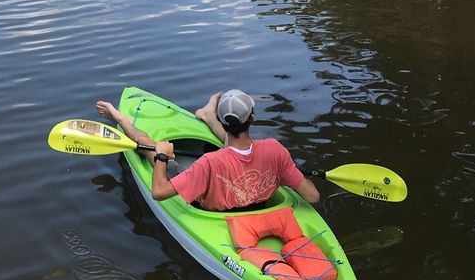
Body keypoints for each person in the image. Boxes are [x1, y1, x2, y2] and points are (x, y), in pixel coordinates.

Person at [95, 90, 319, 210]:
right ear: (252, 118)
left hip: (214, 212)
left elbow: (159, 192)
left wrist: (162, 156)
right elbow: (313, 196)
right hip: (257, 207)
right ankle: (206, 114)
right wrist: (287, 172)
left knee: (152, 149)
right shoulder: (275, 151)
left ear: (224, 122)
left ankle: (122, 119)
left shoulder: (208, 164)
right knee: (234, 149)